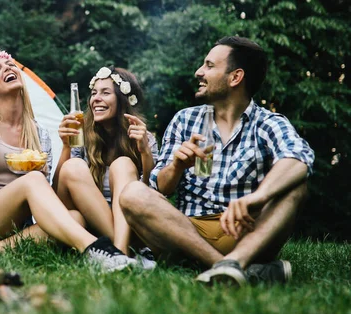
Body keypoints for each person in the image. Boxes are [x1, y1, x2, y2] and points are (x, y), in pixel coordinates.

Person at [119, 36, 314, 286]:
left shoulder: (268, 123)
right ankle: (232, 269)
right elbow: (159, 187)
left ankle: (231, 262)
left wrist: (258, 196)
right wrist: (177, 166)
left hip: (245, 233)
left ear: (235, 77)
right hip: (187, 232)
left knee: (296, 184)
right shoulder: (185, 120)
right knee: (133, 192)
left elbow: (299, 157)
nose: (199, 72)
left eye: (209, 66)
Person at [0, 50, 137, 272]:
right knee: (32, 180)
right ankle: (95, 250)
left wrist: (66, 148)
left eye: (10, 65)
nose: (8, 69)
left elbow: (47, 194)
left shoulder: (39, 133)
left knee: (75, 219)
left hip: (18, 225)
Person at [53, 67, 158, 268]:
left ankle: (117, 254)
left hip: (131, 225)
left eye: (105, 93)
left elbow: (152, 194)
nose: (96, 99)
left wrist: (145, 152)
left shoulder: (144, 138)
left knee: (123, 164)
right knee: (73, 166)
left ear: (122, 100)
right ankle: (122, 254)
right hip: (89, 226)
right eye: (94, 93)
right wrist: (66, 146)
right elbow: (58, 192)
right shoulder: (81, 136)